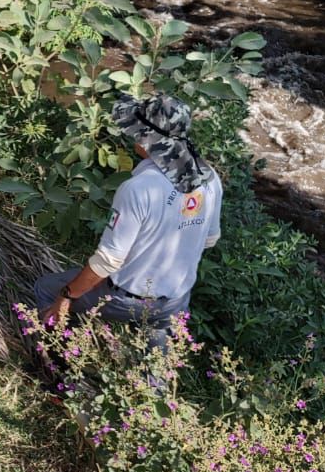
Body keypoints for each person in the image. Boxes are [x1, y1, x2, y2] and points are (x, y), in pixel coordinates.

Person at [35, 93, 223, 343]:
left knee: (47, 289)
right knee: (156, 370)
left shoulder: (139, 188)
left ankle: (57, 363)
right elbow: (210, 239)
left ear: (145, 138)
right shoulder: (209, 178)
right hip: (175, 302)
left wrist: (67, 296)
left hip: (125, 300)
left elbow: (107, 261)